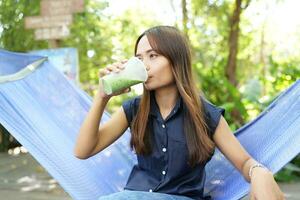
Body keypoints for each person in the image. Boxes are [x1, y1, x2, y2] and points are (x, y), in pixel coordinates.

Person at [74, 26, 284, 200]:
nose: (144, 65)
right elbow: (82, 151)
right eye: (139, 58)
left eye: (153, 56)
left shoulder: (205, 115)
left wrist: (259, 172)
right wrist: (102, 97)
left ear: (176, 60)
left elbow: (244, 162)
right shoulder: (134, 110)